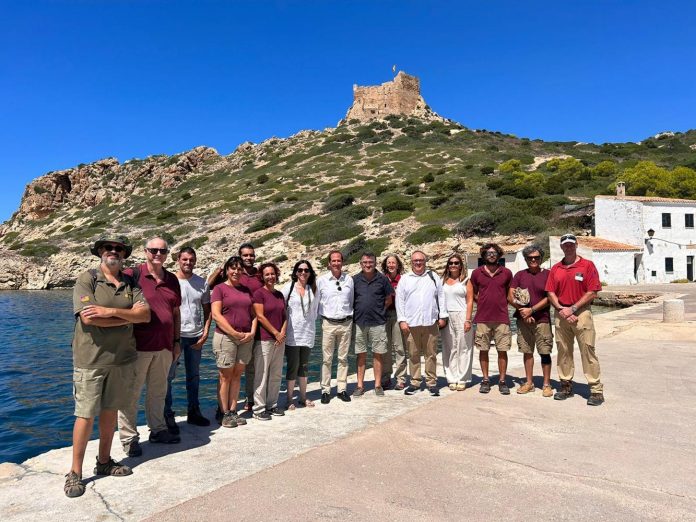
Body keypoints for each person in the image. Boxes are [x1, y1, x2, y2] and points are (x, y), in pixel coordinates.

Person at [64, 236, 150, 498]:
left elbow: (145, 315)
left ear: (124, 255)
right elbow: (89, 320)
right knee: (86, 414)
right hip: (91, 358)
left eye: (119, 249)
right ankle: (75, 473)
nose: (113, 252)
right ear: (100, 252)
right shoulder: (87, 278)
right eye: (108, 248)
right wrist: (126, 318)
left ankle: (104, 461)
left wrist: (108, 312)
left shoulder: (129, 282)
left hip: (121, 358)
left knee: (111, 410)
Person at [118, 237, 182, 457]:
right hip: (137, 346)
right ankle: (129, 438)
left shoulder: (172, 279)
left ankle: (158, 430)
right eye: (154, 250)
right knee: (131, 394)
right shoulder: (132, 275)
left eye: (162, 251)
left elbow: (175, 313)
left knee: (158, 392)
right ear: (145, 251)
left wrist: (176, 342)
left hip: (164, 346)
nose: (158, 254)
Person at [546, 233, 604, 406]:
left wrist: (573, 308)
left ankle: (595, 389)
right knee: (563, 350)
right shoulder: (556, 268)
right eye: (565, 244)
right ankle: (565, 385)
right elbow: (550, 292)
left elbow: (592, 291)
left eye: (571, 244)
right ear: (561, 247)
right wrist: (561, 309)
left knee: (588, 350)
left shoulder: (587, 265)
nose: (569, 247)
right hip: (561, 313)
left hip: (581, 313)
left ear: (577, 245)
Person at [164, 247, 212, 431]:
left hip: (195, 336)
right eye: (184, 259)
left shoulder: (201, 283)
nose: (188, 263)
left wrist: (206, 332)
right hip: (174, 336)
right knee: (168, 377)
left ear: (195, 260)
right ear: (178, 260)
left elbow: (208, 311)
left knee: (194, 376)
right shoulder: (170, 281)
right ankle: (167, 415)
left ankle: (194, 412)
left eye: (191, 260)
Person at [210, 256, 257, 428]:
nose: (236, 272)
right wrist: (234, 333)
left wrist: (251, 332)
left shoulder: (246, 291)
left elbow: (253, 315)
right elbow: (216, 315)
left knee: (237, 375)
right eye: (233, 268)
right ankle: (224, 413)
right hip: (226, 338)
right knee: (225, 376)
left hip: (245, 338)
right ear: (227, 270)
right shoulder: (219, 289)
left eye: (239, 269)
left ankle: (233, 409)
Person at [396, 251, 448, 396]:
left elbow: (441, 296)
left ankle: (431, 383)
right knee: (413, 354)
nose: (418, 263)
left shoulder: (433, 277)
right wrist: (402, 320)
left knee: (430, 354)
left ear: (425, 261)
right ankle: (415, 382)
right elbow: (399, 301)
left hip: (430, 322)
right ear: (411, 262)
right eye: (415, 261)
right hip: (411, 323)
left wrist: (443, 316)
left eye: (420, 260)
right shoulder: (405, 279)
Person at [467, 243, 513, 395]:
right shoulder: (476, 273)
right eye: (488, 253)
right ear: (484, 255)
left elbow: (509, 294)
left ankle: (502, 380)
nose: (492, 255)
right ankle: (485, 380)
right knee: (483, 349)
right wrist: (479, 301)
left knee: (502, 350)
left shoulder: (506, 273)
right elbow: (472, 291)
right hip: (483, 318)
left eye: (494, 253)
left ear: (499, 256)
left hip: (502, 317)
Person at [508, 245, 553, 397]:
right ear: (526, 259)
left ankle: (546, 384)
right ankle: (529, 382)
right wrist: (523, 312)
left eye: (536, 257)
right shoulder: (520, 275)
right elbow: (510, 295)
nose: (533, 260)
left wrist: (532, 310)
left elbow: (550, 297)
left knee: (545, 352)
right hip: (523, 320)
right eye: (530, 258)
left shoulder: (548, 274)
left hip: (542, 320)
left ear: (541, 258)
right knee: (527, 352)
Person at [352, 252, 394, 397]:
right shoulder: (355, 280)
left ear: (375, 263)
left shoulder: (382, 279)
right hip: (360, 322)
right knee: (361, 354)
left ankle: (377, 385)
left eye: (370, 262)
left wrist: (380, 310)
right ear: (360, 263)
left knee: (378, 354)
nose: (368, 265)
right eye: (365, 262)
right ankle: (359, 385)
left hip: (378, 322)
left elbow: (388, 298)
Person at [316, 250, 354, 404]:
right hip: (328, 324)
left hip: (346, 323)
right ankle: (325, 390)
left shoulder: (349, 280)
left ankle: (341, 389)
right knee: (327, 358)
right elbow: (317, 302)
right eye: (334, 261)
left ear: (342, 262)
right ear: (329, 263)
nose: (337, 263)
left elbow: (351, 301)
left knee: (343, 358)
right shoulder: (321, 281)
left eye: (339, 261)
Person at [281, 260, 319, 409]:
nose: (303, 273)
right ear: (296, 272)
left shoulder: (313, 289)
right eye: (300, 270)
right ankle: (289, 399)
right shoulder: (288, 288)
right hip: (292, 334)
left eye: (306, 270)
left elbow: (315, 310)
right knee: (292, 366)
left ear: (310, 273)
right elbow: (280, 306)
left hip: (308, 332)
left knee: (304, 366)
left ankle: (303, 397)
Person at [252, 262, 288, 420]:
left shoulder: (279, 295)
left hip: (279, 340)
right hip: (265, 339)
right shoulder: (259, 294)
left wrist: (282, 333)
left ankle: (272, 404)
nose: (270, 276)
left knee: (276, 374)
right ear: (262, 276)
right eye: (267, 274)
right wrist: (275, 332)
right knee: (262, 374)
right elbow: (260, 316)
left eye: (272, 273)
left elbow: (285, 316)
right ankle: (259, 408)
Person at [441, 253, 474, 391]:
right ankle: (451, 377)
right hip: (446, 315)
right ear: (448, 266)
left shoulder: (466, 280)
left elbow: (470, 300)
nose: (453, 265)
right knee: (449, 348)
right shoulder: (442, 281)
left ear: (461, 265)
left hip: (461, 315)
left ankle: (462, 378)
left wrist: (468, 319)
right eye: (451, 263)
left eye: (456, 263)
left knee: (463, 347)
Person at [380, 254, 407, 390]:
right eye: (389, 263)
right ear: (386, 265)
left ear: (398, 265)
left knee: (399, 347)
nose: (391, 265)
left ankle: (401, 378)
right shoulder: (381, 280)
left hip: (398, 315)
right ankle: (385, 378)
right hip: (384, 315)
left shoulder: (403, 280)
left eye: (393, 263)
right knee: (385, 348)